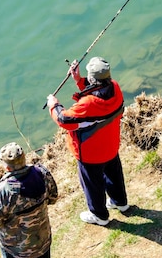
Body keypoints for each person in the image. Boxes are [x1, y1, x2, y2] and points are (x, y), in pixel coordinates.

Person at [46, 56, 129, 226]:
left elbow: (64, 119)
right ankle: (120, 203)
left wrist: (54, 105)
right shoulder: (115, 88)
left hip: (90, 154)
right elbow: (97, 91)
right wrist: (78, 79)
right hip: (111, 145)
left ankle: (99, 215)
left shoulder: (88, 104)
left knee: (92, 185)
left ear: (92, 78)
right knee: (113, 174)